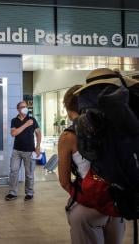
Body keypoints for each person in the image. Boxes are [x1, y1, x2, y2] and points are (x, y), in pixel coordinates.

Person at [58, 85, 125, 244]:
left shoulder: (69, 136)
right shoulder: (111, 127)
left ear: (68, 108)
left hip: (88, 208)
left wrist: (86, 197)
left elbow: (64, 181)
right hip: (117, 203)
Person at [5, 101, 41, 201]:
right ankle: (12, 193)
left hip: (29, 151)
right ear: (18, 109)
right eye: (22, 107)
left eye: (26, 106)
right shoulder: (14, 120)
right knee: (13, 171)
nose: (25, 108)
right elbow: (14, 133)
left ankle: (29, 193)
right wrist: (25, 125)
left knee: (29, 173)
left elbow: (38, 133)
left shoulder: (32, 119)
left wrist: (38, 146)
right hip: (16, 151)